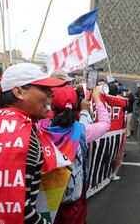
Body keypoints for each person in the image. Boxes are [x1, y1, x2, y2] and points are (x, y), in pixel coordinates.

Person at [0, 63, 66, 223]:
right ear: (18, 92)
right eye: (44, 88)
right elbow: (18, 211)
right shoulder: (23, 136)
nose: (52, 94)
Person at [39, 85, 110, 224]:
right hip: (72, 197)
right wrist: (96, 100)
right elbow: (105, 123)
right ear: (76, 104)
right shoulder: (81, 131)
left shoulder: (39, 126)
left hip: (43, 194)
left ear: (51, 106)